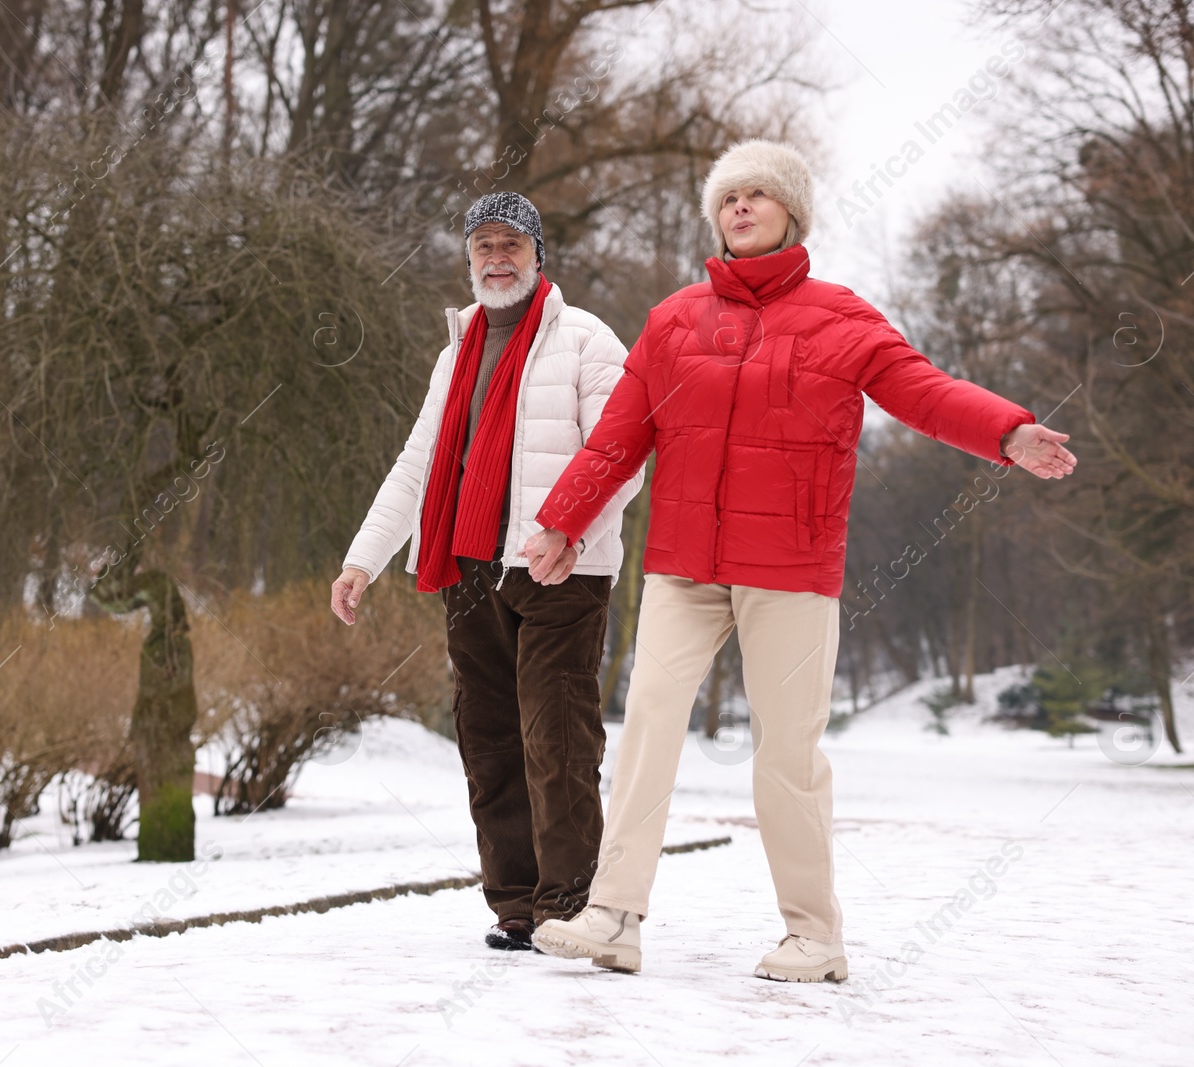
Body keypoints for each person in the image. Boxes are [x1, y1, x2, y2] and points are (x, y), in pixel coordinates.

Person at [522, 140, 1076, 980]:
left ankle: (814, 934)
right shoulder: (674, 321)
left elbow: (922, 391)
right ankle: (614, 914)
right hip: (684, 564)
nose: (740, 206)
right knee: (647, 730)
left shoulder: (842, 317)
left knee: (787, 752)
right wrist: (561, 522)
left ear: (791, 212)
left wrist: (1007, 430)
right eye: (729, 196)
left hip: (789, 570)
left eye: (758, 194)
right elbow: (619, 437)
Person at [331, 192, 644, 951]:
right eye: (483, 246)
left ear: (540, 257)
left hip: (560, 568)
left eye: (512, 244)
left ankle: (570, 905)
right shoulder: (458, 349)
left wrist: (567, 529)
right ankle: (516, 904)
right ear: (469, 260)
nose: (497, 258)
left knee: (556, 736)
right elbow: (419, 464)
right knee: (491, 738)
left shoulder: (586, 341)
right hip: (471, 566)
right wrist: (362, 558)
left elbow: (622, 454)